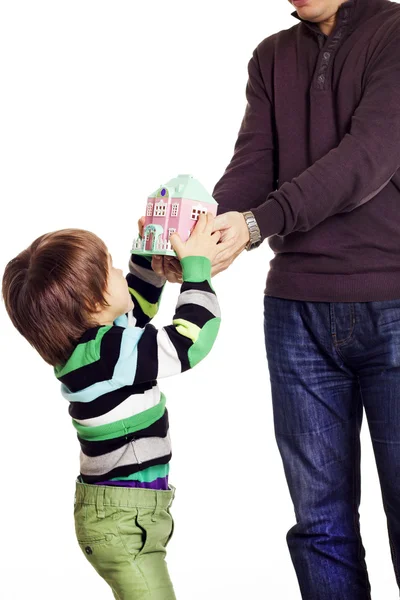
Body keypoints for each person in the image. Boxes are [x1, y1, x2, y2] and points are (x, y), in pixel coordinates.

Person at [152, 1, 400, 598]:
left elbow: (367, 158)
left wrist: (258, 224)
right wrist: (199, 233)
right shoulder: (270, 56)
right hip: (296, 312)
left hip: (392, 301)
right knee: (320, 527)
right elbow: (254, 161)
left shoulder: (394, 33)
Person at [2, 213, 222, 600]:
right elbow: (189, 342)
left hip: (127, 514)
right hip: (122, 520)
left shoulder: (89, 346)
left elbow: (132, 307)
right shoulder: (106, 353)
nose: (121, 269)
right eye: (112, 266)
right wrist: (196, 269)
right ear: (93, 302)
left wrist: (146, 251)